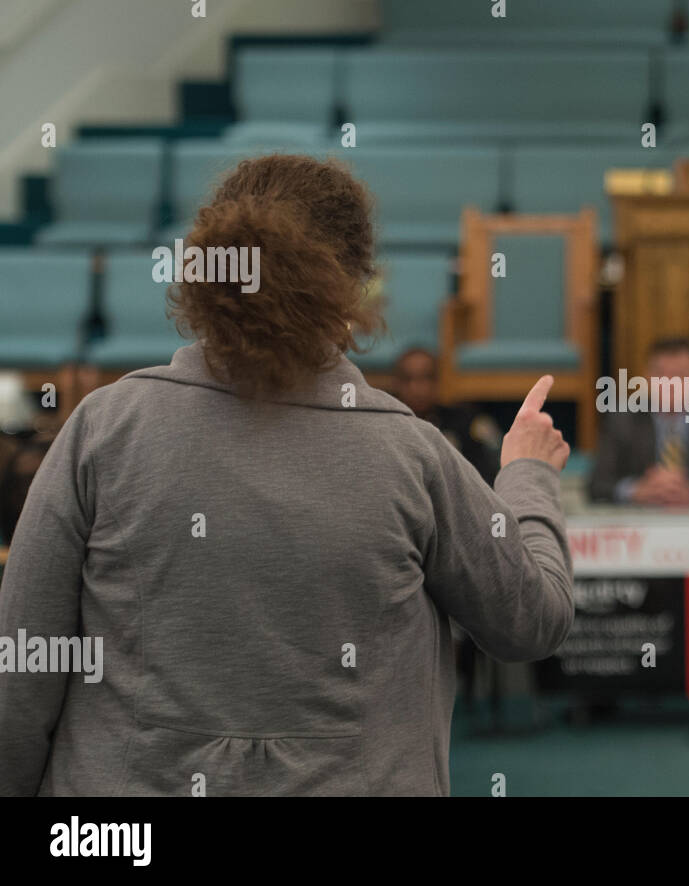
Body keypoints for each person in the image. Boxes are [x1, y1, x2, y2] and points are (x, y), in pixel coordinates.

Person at [0, 154, 574, 796]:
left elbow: (20, 675)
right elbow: (532, 620)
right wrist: (526, 475)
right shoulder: (411, 452)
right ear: (352, 286)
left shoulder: (104, 427)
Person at [587, 336, 689, 505]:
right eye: (660, 374)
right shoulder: (621, 421)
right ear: (646, 377)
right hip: (640, 523)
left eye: (680, 375)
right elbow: (597, 485)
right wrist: (636, 490)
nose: (669, 383)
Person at [390, 346, 502, 485]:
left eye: (426, 378)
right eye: (408, 379)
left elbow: (486, 479)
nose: (416, 388)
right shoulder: (387, 428)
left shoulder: (465, 423)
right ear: (396, 383)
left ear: (438, 381)